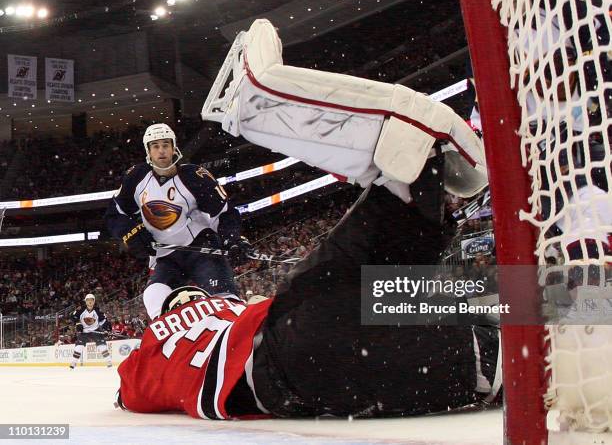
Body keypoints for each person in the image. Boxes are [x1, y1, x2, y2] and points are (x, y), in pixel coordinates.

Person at [116, 154, 501, 420]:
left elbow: (127, 395)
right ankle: (406, 190)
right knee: (359, 278)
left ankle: (503, 353)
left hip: (281, 369)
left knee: (444, 344)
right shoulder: (223, 305)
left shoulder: (151, 344)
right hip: (287, 310)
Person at [105, 123, 250, 319]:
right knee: (154, 296)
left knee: (227, 303)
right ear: (148, 151)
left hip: (202, 250)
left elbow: (224, 213)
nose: (161, 150)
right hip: (165, 257)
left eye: (166, 144)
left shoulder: (195, 176)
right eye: (155, 146)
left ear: (174, 147)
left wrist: (232, 239)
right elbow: (115, 214)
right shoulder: (135, 178)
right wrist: (132, 233)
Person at [70, 294, 112, 369]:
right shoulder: (80, 309)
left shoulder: (98, 310)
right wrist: (78, 323)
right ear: (85, 301)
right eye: (88, 300)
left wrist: (105, 330)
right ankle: (73, 362)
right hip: (84, 332)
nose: (90, 302)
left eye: (91, 300)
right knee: (79, 347)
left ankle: (109, 362)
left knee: (102, 346)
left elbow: (104, 320)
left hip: (95, 330)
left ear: (94, 301)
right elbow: (73, 316)